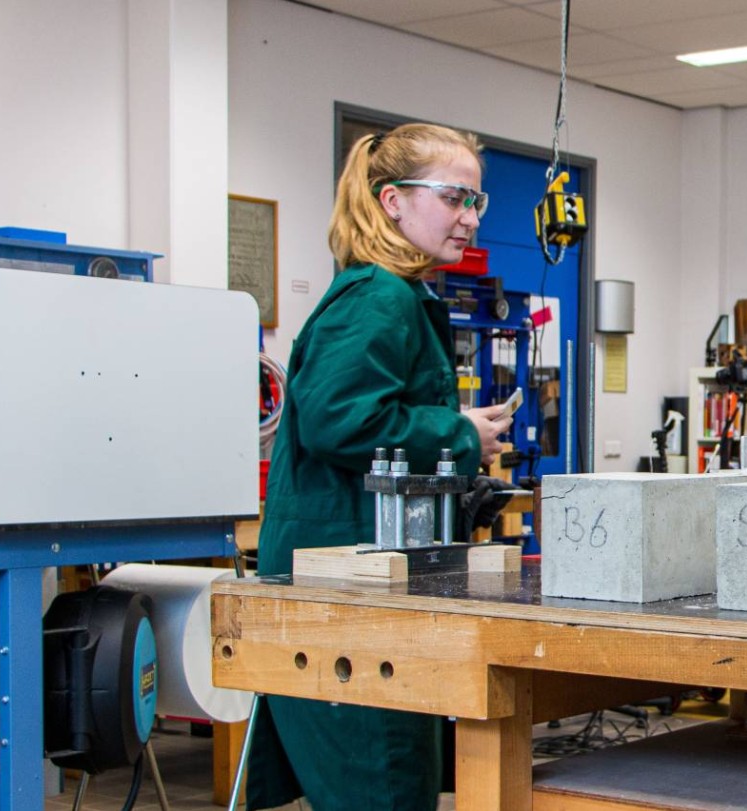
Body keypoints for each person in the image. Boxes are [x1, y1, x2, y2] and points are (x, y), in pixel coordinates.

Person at [248, 122, 513, 811]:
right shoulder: (376, 297)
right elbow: (345, 420)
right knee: (381, 780)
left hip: (367, 580)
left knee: (395, 773)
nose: (470, 217)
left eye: (477, 202)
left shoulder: (401, 295)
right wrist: (458, 432)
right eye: (455, 197)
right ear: (392, 200)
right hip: (344, 589)